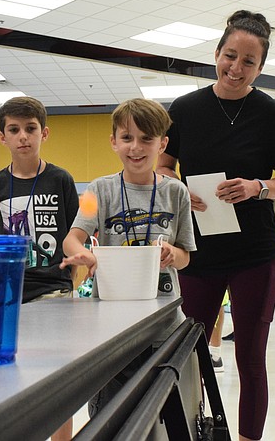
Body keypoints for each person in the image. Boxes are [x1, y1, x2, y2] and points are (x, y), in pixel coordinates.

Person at [155, 10, 275, 441]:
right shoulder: (184, 108)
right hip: (196, 251)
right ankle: (194, 430)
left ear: (261, 67)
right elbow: (162, 167)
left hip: (255, 254)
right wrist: (180, 189)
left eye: (248, 62)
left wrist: (257, 187)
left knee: (252, 359)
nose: (236, 68)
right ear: (216, 53)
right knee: (188, 355)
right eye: (230, 56)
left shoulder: (271, 114)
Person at [62, 98, 195, 418]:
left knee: (159, 417)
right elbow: (73, 237)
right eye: (127, 138)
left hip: (163, 326)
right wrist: (81, 253)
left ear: (162, 144)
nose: (136, 147)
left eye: (147, 139)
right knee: (110, 415)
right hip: (111, 329)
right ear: (113, 142)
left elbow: (186, 256)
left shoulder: (177, 193)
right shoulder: (98, 190)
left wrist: (171, 254)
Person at [0, 96, 79, 441]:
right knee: (15, 376)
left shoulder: (61, 180)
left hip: (54, 293)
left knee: (57, 376)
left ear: (44, 133)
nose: (23, 136)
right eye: (14, 129)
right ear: (2, 137)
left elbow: (73, 238)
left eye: (30, 129)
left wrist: (72, 285)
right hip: (10, 295)